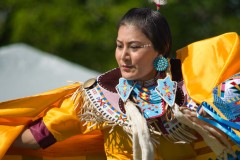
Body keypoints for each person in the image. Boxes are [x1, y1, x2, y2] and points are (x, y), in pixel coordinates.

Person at [1, 6, 240, 160]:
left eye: (135, 47)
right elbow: (36, 138)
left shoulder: (193, 81)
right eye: (119, 45)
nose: (123, 55)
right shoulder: (98, 98)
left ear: (160, 50)